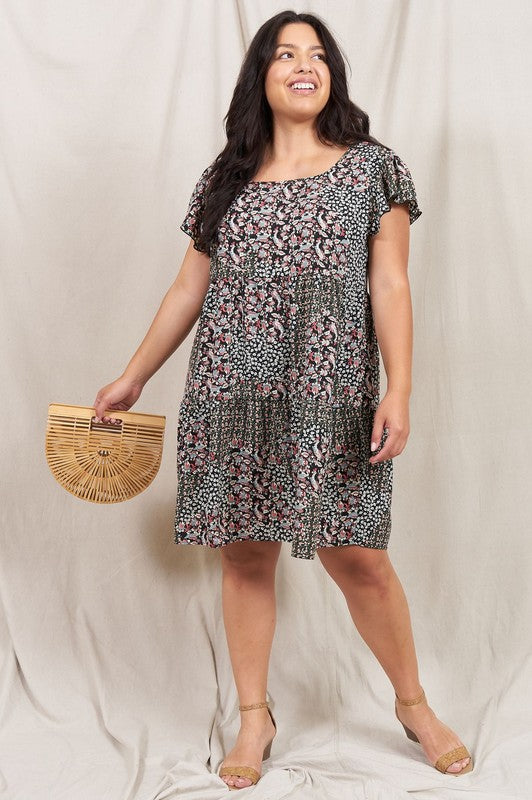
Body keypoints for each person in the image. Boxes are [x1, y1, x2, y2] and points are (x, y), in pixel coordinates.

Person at [93, 9, 473, 791]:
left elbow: (391, 283)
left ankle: (414, 704)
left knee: (359, 557)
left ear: (332, 74)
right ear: (260, 77)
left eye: (318, 55)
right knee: (245, 551)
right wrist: (134, 375)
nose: (304, 64)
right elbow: (187, 288)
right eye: (285, 54)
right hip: (231, 387)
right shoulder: (224, 178)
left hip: (330, 389)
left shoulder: (375, 169)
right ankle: (255, 715)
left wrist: (399, 387)